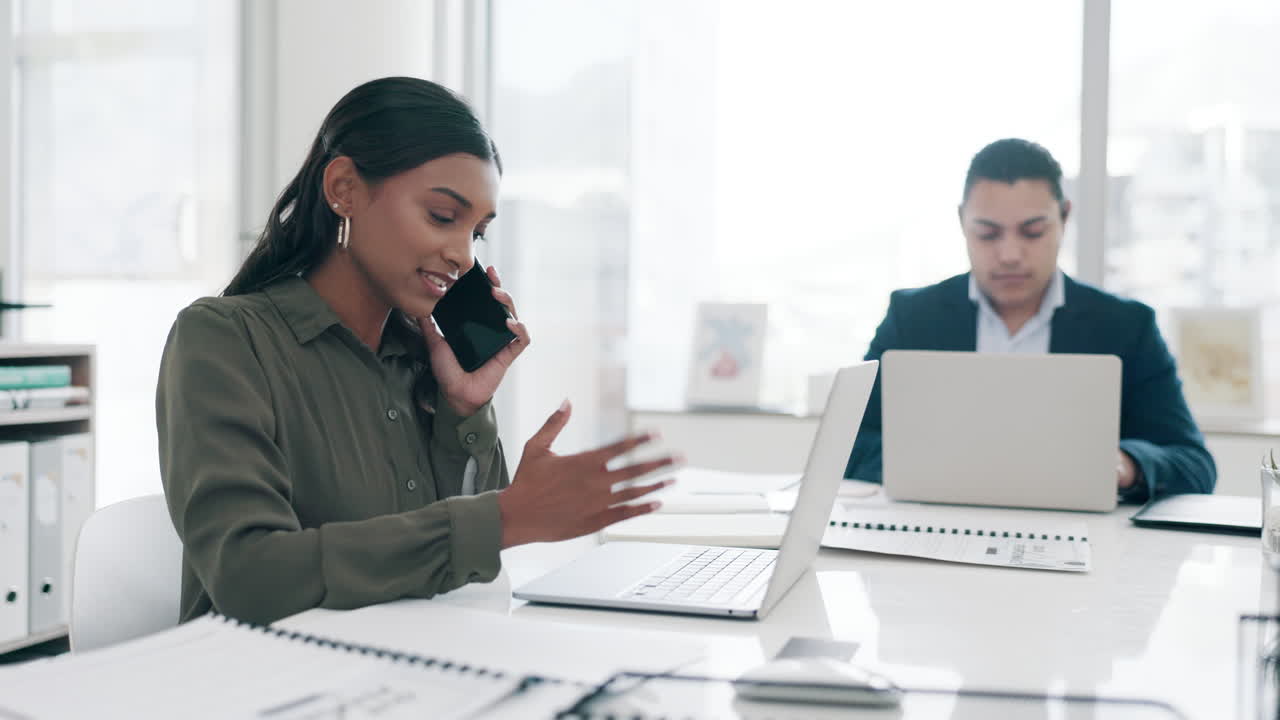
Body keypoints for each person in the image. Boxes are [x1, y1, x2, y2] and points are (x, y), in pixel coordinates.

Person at [157, 77, 676, 626]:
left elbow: (468, 577)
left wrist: (465, 412)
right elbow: (250, 576)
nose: (463, 256)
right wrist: (502, 517)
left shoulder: (424, 363)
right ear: (344, 189)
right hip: (264, 669)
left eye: (477, 233)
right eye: (443, 216)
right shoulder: (223, 340)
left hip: (412, 659)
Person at [845, 138, 1215, 502]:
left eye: (1033, 231)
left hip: (1080, 533)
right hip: (936, 526)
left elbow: (1193, 464)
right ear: (962, 222)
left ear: (1064, 218)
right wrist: (935, 463)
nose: (1009, 254)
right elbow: (848, 445)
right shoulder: (912, 317)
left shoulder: (1126, 326)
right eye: (988, 233)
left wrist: (1125, 465)